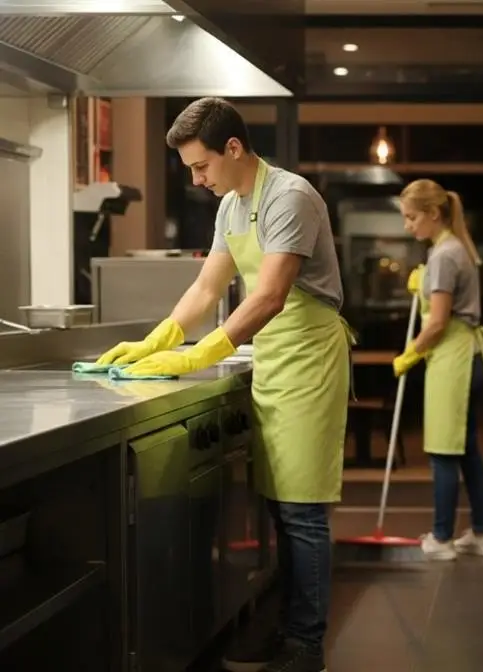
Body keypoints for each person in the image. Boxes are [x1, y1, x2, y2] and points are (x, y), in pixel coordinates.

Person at [94, 97, 350, 672]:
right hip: (275, 358)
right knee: (281, 506)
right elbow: (207, 289)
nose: (196, 179)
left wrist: (201, 354)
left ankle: (306, 647)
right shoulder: (232, 207)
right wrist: (156, 340)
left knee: (303, 511)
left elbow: (271, 295)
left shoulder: (289, 197)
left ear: (233, 148)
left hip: (309, 357)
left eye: (201, 165)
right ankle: (288, 629)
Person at [392, 179, 483, 561]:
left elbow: (437, 322)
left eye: (411, 217)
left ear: (433, 213)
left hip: (453, 358)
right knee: (466, 448)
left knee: (443, 451)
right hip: (467, 355)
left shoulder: (444, 255)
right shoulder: (454, 249)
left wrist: (410, 353)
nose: (407, 225)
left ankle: (441, 539)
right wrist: (424, 284)